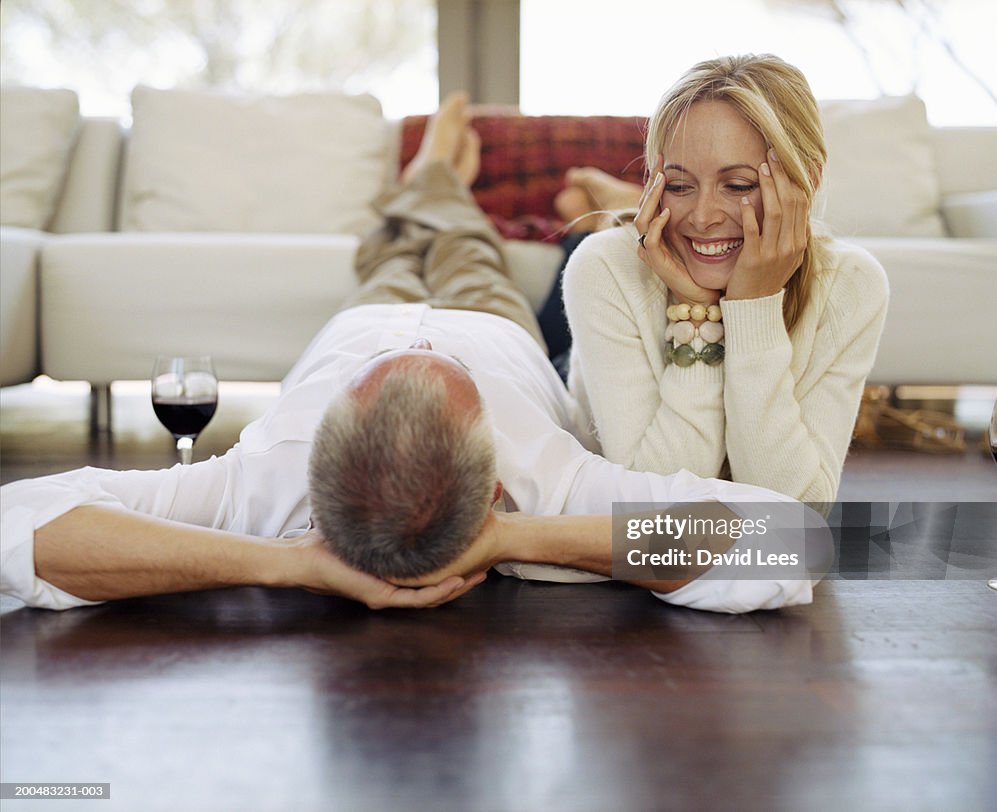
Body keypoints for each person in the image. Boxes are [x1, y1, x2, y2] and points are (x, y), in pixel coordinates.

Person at [0, 93, 817, 615]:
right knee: (469, 253)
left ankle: (425, 182)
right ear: (498, 483)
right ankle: (441, 193)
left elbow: (16, 527)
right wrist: (511, 539)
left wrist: (287, 562)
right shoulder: (546, 479)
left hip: (359, 317)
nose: (420, 341)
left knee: (386, 257)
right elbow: (796, 542)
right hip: (494, 321)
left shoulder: (260, 478)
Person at [557, 55, 889, 509]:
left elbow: (794, 512)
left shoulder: (852, 283)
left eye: (736, 185)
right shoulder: (604, 268)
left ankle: (624, 204)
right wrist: (698, 313)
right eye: (677, 186)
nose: (703, 216)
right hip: (582, 328)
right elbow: (655, 509)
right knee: (469, 269)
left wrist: (754, 303)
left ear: (806, 181)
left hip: (659, 262)